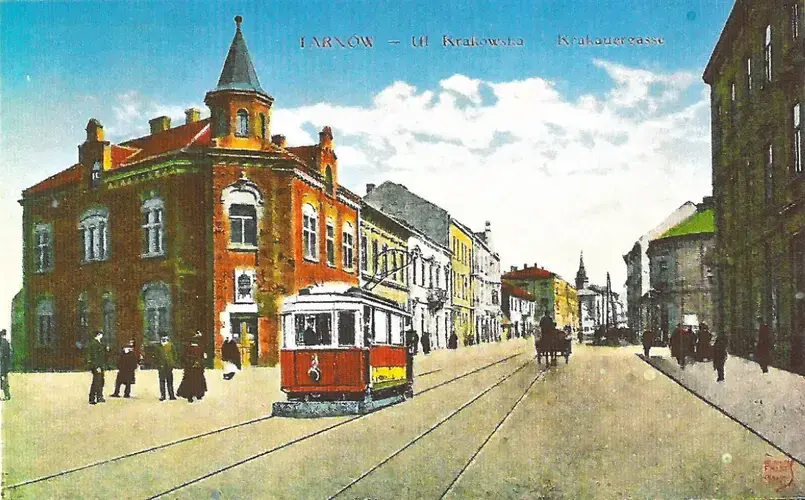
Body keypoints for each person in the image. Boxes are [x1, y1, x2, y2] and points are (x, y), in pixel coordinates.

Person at [177, 331, 208, 403]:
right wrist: (190, 362)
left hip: (198, 367)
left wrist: (201, 362)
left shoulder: (201, 346)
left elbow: (203, 356)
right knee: (191, 381)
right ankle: (190, 395)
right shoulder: (187, 347)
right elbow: (183, 357)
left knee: (198, 380)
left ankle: (198, 394)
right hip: (190, 367)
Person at [154, 335, 177, 401]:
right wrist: (158, 365)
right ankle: (163, 395)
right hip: (161, 366)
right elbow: (156, 356)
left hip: (169, 366)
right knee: (162, 381)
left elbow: (175, 354)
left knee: (169, 381)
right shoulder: (158, 347)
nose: (164, 339)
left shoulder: (171, 345)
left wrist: (173, 363)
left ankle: (171, 395)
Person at [86, 331, 107, 405]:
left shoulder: (98, 343)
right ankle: (92, 398)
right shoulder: (94, 344)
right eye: (101, 334)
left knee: (100, 381)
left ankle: (99, 396)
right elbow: (95, 356)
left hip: (100, 365)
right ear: (98, 335)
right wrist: (97, 366)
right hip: (97, 366)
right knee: (96, 382)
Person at [0, 329, 11, 401]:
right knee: (4, 380)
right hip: (4, 364)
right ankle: (7, 395)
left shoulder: (3, 342)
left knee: (4, 380)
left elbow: (2, 354)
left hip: (2, 364)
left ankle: (7, 395)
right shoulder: (6, 342)